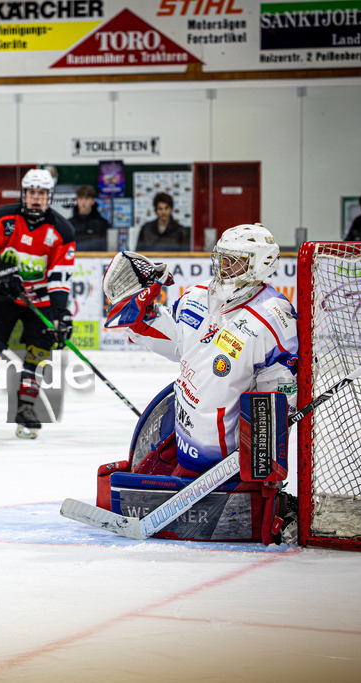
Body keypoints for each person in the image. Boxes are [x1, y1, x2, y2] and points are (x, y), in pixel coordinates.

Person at [98, 224, 299, 543]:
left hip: (226, 465)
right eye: (220, 258)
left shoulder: (273, 316)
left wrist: (270, 432)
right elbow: (180, 345)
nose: (223, 268)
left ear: (260, 264)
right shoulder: (196, 295)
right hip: (184, 444)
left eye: (234, 261)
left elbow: (280, 391)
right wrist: (145, 313)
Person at [0, 169, 76, 439]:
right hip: (2, 294)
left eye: (42, 194)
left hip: (40, 300)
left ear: (50, 197)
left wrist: (60, 314)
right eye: (32, 193)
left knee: (38, 354)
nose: (37, 199)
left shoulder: (62, 230)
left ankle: (25, 408)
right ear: (24, 194)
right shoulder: (3, 217)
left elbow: (60, 277)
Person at [69, 185, 109, 251]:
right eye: (81, 198)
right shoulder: (69, 224)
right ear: (77, 200)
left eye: (87, 198)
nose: (83, 202)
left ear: (93, 201)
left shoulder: (102, 223)